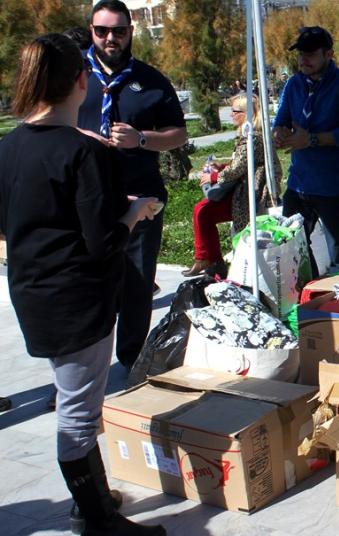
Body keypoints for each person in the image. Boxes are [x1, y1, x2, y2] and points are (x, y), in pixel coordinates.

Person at [0, 33, 165, 535]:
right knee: (78, 412)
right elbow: (103, 241)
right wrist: (136, 212)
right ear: (80, 81)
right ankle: (96, 518)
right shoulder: (84, 151)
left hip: (33, 293)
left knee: (77, 399)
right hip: (78, 300)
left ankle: (92, 498)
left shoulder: (9, 147)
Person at [78, 1, 188, 370]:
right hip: (84, 200)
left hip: (140, 198)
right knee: (87, 284)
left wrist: (140, 138)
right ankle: (82, 367)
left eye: (119, 31)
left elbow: (178, 134)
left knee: (138, 284)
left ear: (131, 31)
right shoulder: (73, 74)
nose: (110, 38)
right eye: (102, 31)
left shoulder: (151, 79)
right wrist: (81, 136)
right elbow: (45, 121)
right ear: (91, 31)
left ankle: (131, 362)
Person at [274, 26, 339, 276]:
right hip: (298, 183)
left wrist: (310, 139)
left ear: (329, 54)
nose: (303, 60)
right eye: (300, 54)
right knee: (291, 247)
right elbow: (281, 119)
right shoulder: (293, 84)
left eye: (310, 54)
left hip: (332, 185)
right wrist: (280, 132)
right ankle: (308, 289)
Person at [184, 94, 282, 277]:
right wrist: (222, 166)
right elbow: (242, 164)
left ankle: (210, 259)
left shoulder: (252, 137)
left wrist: (214, 176)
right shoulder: (251, 135)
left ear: (247, 114)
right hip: (244, 190)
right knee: (202, 211)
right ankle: (209, 259)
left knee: (203, 211)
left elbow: (238, 168)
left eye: (235, 111)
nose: (231, 115)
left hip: (250, 195)